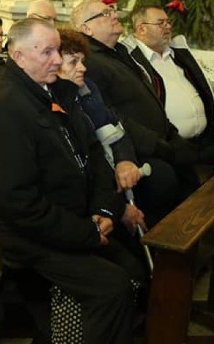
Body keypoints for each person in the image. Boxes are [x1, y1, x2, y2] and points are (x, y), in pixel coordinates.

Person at [0, 18, 145, 343]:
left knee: (135, 266)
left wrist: (105, 210)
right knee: (110, 287)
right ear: (18, 55)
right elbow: (18, 202)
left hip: (71, 216)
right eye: (47, 52)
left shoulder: (53, 90)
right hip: (26, 231)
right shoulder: (5, 108)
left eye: (58, 51)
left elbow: (93, 155)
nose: (57, 59)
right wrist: (87, 233)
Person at [71, 0, 198, 224]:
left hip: (160, 139)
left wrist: (168, 131)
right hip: (139, 148)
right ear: (86, 28)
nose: (115, 16)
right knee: (166, 185)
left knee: (192, 179)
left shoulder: (118, 51)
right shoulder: (91, 61)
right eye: (104, 14)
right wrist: (156, 144)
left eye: (112, 11)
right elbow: (109, 114)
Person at [127, 5, 214, 170]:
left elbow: (201, 88)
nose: (168, 26)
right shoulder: (130, 59)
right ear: (141, 29)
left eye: (168, 22)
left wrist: (213, 115)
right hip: (172, 144)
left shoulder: (177, 53)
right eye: (160, 23)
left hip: (206, 135)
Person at [57, 28, 148, 235]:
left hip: (109, 173)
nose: (82, 68)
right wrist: (118, 208)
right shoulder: (54, 104)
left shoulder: (88, 88)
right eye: (73, 62)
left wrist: (125, 161)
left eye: (82, 61)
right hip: (88, 194)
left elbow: (116, 127)